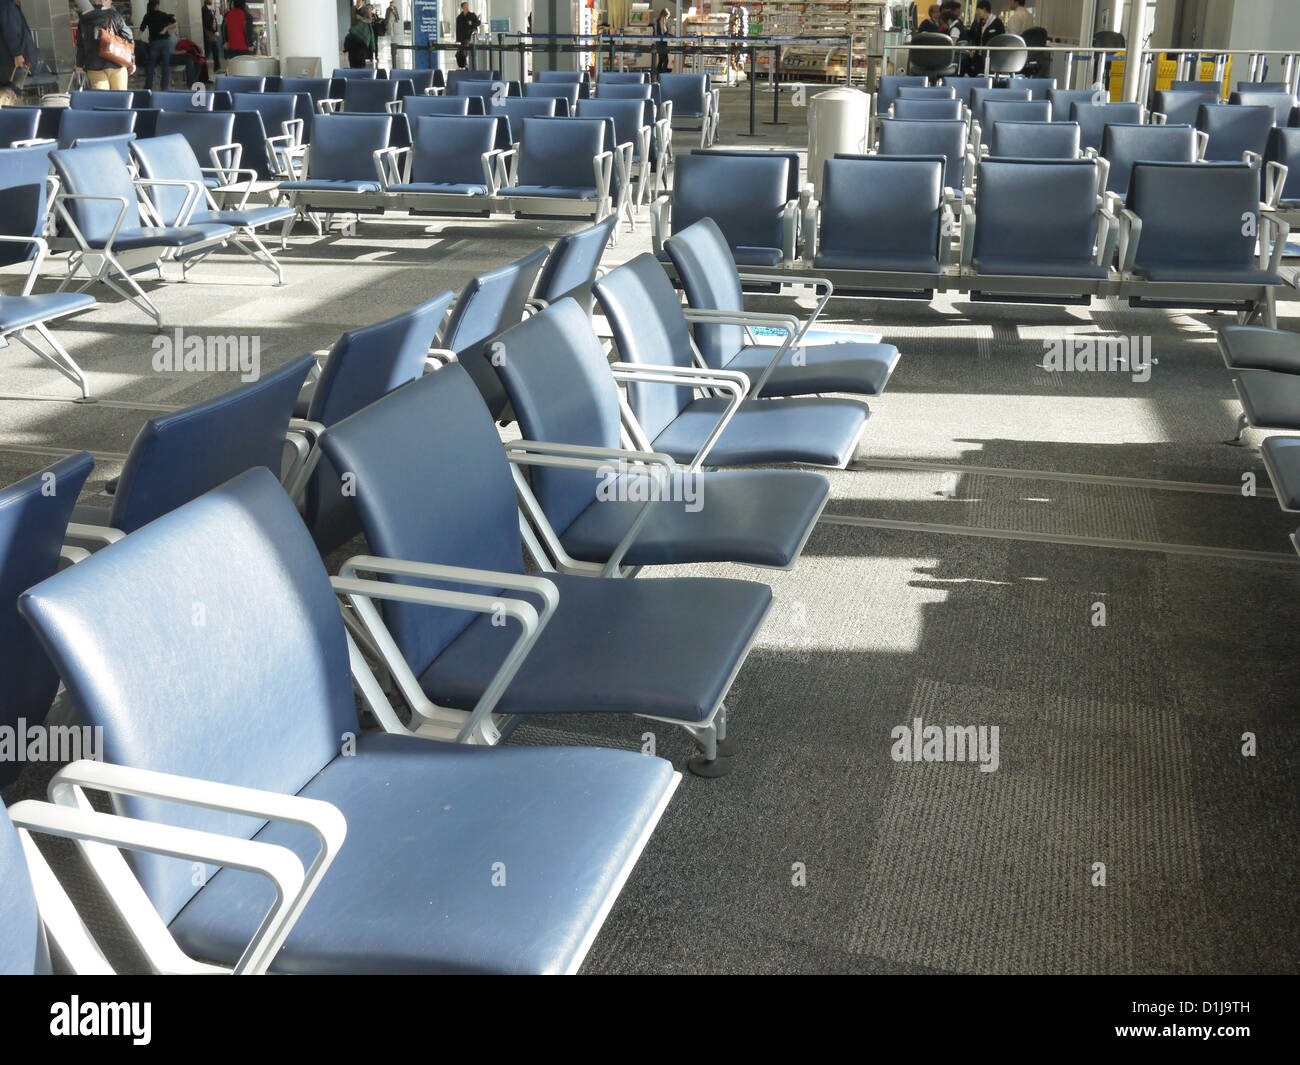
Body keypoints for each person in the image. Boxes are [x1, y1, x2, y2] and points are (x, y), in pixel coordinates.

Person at [0, 0, 39, 89]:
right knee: (12, 91)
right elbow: (10, 31)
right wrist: (17, 54)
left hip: (8, 61)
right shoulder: (6, 5)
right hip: (12, 62)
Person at [139, 0, 177, 91]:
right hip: (164, 42)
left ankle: (148, 86)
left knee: (151, 65)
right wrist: (165, 28)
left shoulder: (147, 16)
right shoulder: (163, 14)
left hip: (154, 43)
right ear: (157, 5)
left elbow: (142, 28)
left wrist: (137, 39)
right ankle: (164, 87)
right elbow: (175, 24)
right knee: (165, 65)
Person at [967, 0, 1004, 74]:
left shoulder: (997, 22)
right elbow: (976, 38)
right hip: (980, 54)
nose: (978, 14)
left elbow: (1001, 39)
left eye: (979, 12)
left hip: (992, 55)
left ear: (984, 9)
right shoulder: (980, 22)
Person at [345, 3, 376, 68]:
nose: (358, 1)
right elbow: (352, 20)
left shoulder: (366, 9)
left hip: (362, 35)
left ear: (363, 1)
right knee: (352, 56)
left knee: (361, 56)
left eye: (359, 0)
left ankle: (361, 68)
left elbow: (370, 20)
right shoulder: (353, 8)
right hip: (354, 33)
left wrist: (361, 18)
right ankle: (353, 67)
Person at [454, 2, 479, 69]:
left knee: (464, 51)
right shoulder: (459, 18)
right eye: (465, 6)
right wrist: (458, 39)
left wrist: (472, 23)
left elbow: (478, 23)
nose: (467, 8)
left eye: (467, 6)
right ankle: (464, 65)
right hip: (463, 38)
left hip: (471, 36)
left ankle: (465, 65)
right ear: (462, 8)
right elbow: (458, 29)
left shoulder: (472, 15)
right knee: (462, 52)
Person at [202, 0, 221, 75]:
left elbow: (213, 21)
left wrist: (215, 30)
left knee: (215, 50)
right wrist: (214, 31)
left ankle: (217, 68)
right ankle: (202, 70)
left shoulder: (210, 10)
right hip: (208, 34)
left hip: (212, 34)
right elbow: (207, 23)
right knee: (208, 51)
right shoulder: (204, 10)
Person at [653, 7, 671, 78]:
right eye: (667, 17)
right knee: (666, 60)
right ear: (664, 15)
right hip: (660, 43)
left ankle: (658, 75)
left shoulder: (663, 22)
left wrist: (669, 34)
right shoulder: (659, 22)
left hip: (662, 43)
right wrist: (667, 34)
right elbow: (660, 33)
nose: (667, 18)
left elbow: (664, 32)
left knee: (661, 60)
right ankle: (662, 75)